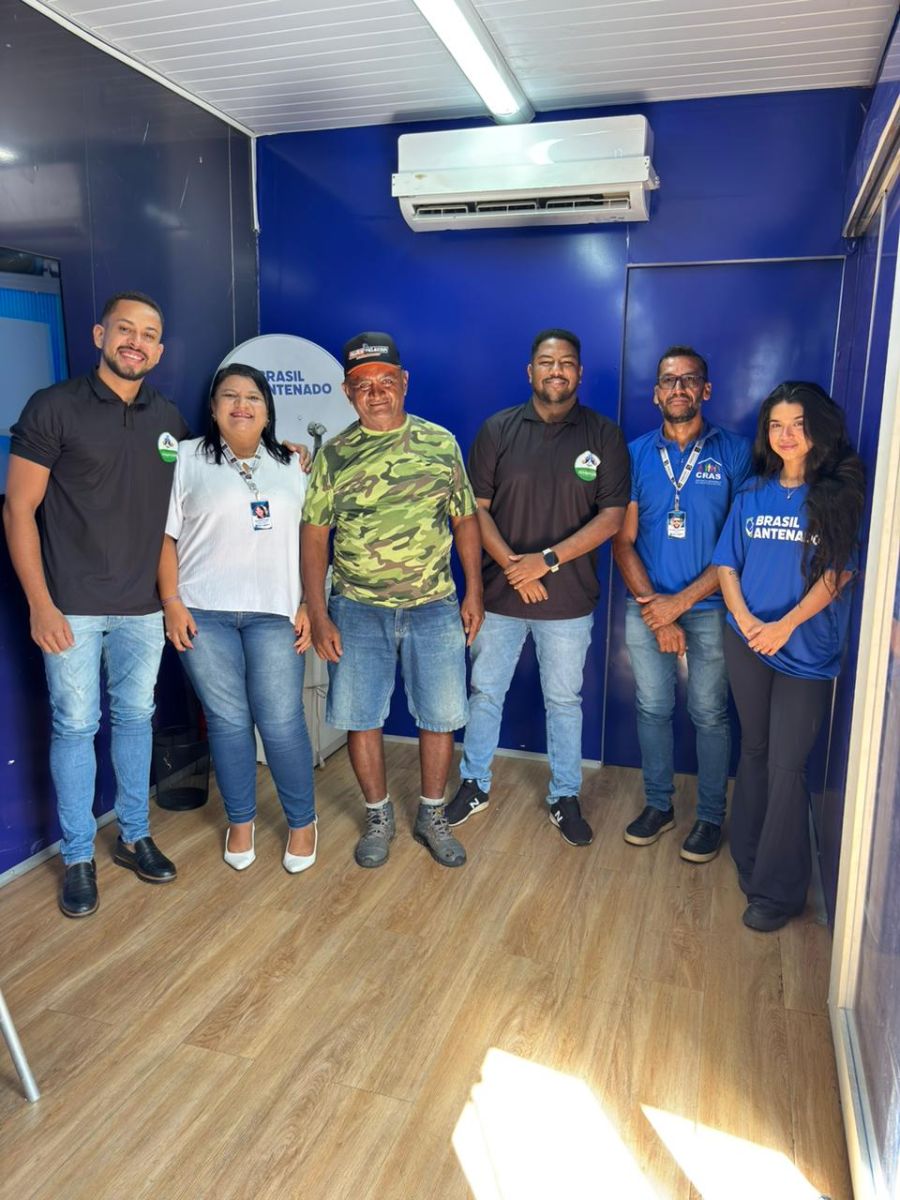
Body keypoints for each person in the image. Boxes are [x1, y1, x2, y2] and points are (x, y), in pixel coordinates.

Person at [3, 293, 184, 917]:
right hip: (71, 606)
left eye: (149, 334)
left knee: (135, 719)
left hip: (143, 608)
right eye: (124, 329)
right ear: (99, 334)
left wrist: (286, 452)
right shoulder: (53, 407)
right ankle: (79, 856)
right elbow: (18, 509)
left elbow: (182, 510)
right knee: (76, 727)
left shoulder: (169, 418)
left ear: (159, 350)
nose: (136, 341)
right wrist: (40, 604)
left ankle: (134, 836)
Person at [301, 332, 483, 869]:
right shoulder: (334, 456)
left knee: (441, 716)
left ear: (404, 382)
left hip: (434, 605)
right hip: (357, 608)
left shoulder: (440, 443)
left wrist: (474, 591)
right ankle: (378, 815)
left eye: (386, 381)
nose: (376, 393)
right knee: (362, 717)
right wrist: (318, 611)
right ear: (346, 391)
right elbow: (314, 538)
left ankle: (432, 814)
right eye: (363, 385)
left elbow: (465, 519)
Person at [446, 329, 629, 845]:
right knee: (485, 693)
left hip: (568, 601)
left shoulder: (604, 435)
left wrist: (545, 561)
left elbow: (612, 518)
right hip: (501, 597)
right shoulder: (498, 430)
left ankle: (564, 796)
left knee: (564, 701)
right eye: (547, 362)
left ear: (579, 373)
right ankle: (474, 784)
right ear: (531, 371)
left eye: (566, 363)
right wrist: (514, 568)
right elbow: (474, 511)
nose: (556, 371)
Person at [713, 382, 865, 931]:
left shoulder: (837, 495)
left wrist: (783, 626)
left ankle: (778, 893)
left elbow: (837, 575)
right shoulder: (753, 493)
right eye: (776, 425)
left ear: (818, 429)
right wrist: (748, 621)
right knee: (754, 750)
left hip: (804, 651)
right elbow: (727, 564)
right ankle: (749, 857)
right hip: (748, 641)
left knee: (786, 764)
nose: (786, 435)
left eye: (798, 424)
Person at [158, 364, 317, 873]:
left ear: (268, 411)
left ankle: (302, 823)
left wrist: (310, 604)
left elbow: (313, 540)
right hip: (203, 612)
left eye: (253, 397)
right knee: (228, 722)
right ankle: (241, 821)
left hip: (277, 610)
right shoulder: (186, 458)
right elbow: (165, 537)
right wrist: (171, 601)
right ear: (213, 408)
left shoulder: (293, 464)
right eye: (229, 396)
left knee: (281, 720)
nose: (241, 405)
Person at [613, 346, 752, 863]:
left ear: (705, 390)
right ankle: (659, 805)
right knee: (652, 708)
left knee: (709, 713)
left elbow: (738, 544)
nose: (678, 388)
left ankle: (710, 816)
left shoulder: (735, 452)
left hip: (712, 607)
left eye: (689, 379)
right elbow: (622, 541)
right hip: (647, 606)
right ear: (656, 393)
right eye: (668, 380)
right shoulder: (635, 454)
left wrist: (679, 605)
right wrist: (657, 609)